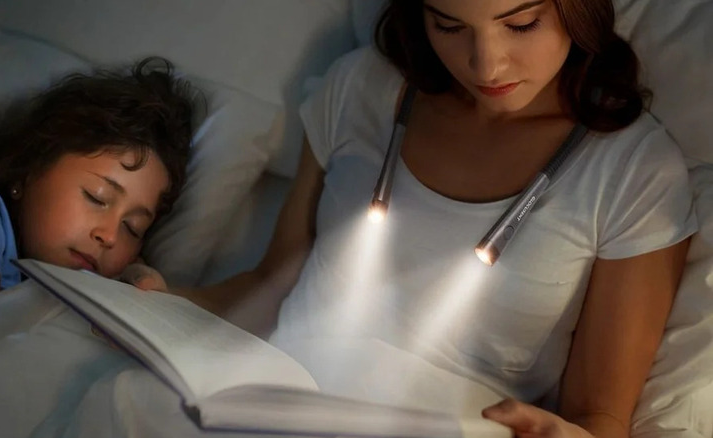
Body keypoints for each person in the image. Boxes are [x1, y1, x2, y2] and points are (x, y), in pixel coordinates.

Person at [178, 1, 696, 437]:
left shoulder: (635, 171)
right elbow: (271, 282)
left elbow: (599, 417)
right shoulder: (364, 87)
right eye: (449, 25)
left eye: (520, 24)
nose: (486, 65)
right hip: (266, 401)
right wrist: (155, 299)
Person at [0, 57, 197, 321]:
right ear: (29, 166)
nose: (110, 236)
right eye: (97, 197)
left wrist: (127, 291)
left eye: (132, 227)